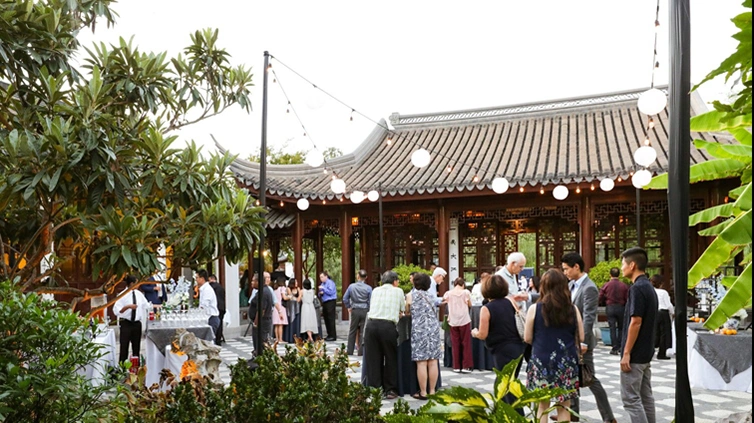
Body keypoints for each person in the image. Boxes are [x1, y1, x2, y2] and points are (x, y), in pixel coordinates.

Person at [561, 252, 616, 423]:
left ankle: (608, 417)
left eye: (566, 269)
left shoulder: (589, 287)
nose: (565, 273)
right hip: (570, 340)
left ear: (576, 267)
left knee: (590, 379)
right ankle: (572, 413)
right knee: (571, 378)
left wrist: (583, 341)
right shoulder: (571, 285)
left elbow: (589, 316)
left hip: (583, 342)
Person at [525, 269, 584, 423]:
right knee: (564, 406)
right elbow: (581, 336)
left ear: (543, 286)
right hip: (566, 362)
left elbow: (527, 337)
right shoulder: (572, 309)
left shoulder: (534, 309)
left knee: (542, 406)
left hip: (541, 361)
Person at [472, 274, 527, 410]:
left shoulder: (487, 308)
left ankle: (517, 415)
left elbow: (483, 334)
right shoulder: (510, 301)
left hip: (502, 349)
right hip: (518, 346)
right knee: (507, 381)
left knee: (506, 384)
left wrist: (474, 332)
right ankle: (501, 412)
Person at [620, 247, 658, 423]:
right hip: (646, 351)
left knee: (631, 399)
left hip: (635, 354)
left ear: (632, 265)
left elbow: (636, 321)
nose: (622, 268)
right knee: (645, 396)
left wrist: (626, 352)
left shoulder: (637, 288)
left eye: (623, 264)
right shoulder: (649, 287)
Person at [363, 271, 405, 399]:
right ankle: (390, 389)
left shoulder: (375, 290)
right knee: (390, 357)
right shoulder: (398, 291)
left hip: (371, 325)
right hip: (387, 326)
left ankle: (375, 388)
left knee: (373, 358)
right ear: (395, 281)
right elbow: (402, 310)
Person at [411, 273, 443, 400]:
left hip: (419, 330)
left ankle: (423, 392)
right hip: (433, 329)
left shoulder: (411, 296)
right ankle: (432, 390)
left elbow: (407, 310)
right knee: (433, 361)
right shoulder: (432, 297)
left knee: (422, 362)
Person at [114, 275, 149, 363]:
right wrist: (127, 307)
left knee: (136, 347)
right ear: (132, 284)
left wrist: (158, 306)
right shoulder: (122, 295)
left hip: (137, 323)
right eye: (137, 283)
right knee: (124, 347)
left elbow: (147, 305)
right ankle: (122, 368)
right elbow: (117, 311)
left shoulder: (139, 294)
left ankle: (136, 367)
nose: (138, 285)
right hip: (126, 323)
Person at [444, 277, 473, 373]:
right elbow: (470, 305)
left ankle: (456, 366)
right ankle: (466, 366)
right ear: (463, 284)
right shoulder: (466, 292)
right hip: (464, 319)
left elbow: (445, 301)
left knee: (455, 343)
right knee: (466, 342)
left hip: (453, 319)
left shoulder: (448, 293)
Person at [600, 267, 629, 355]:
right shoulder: (624, 285)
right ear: (619, 275)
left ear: (610, 275)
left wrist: (600, 303)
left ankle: (614, 347)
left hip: (610, 307)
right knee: (621, 328)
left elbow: (600, 296)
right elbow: (627, 298)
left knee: (612, 327)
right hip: (621, 307)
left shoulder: (606, 285)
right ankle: (620, 346)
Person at [343, 269, 373, 355]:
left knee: (352, 330)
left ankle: (349, 350)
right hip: (365, 310)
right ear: (366, 277)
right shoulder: (368, 288)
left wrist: (349, 306)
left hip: (355, 309)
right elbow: (371, 300)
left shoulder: (351, 286)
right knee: (363, 331)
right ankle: (361, 351)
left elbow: (345, 298)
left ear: (358, 276)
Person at [248, 273, 273, 355]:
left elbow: (261, 310)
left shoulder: (264, 292)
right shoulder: (262, 291)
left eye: (253, 281)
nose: (251, 282)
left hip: (262, 323)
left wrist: (256, 323)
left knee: (260, 344)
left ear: (258, 282)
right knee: (258, 343)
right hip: (262, 322)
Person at [651, 274, 673, 360]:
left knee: (654, 332)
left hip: (654, 312)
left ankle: (651, 350)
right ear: (661, 283)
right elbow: (668, 305)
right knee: (664, 334)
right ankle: (661, 353)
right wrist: (672, 312)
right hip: (663, 313)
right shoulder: (663, 292)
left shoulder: (651, 291)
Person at [196, 269, 221, 338]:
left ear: (202, 278)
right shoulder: (203, 289)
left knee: (209, 342)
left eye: (197, 277)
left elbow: (204, 306)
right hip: (208, 318)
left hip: (211, 318)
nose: (196, 280)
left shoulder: (207, 290)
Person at [318, 272, 338, 341]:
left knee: (331, 318)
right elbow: (319, 294)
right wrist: (320, 293)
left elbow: (331, 292)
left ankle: (333, 335)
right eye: (320, 277)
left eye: (322, 277)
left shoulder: (330, 283)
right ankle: (329, 334)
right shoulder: (322, 284)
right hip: (324, 302)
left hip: (330, 301)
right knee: (326, 318)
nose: (321, 279)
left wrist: (324, 289)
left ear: (326, 276)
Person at [208, 274, 226, 346]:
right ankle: (219, 339)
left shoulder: (210, 287)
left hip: (214, 308)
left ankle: (214, 339)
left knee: (214, 323)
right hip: (221, 307)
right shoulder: (221, 287)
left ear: (211, 279)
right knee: (220, 323)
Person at [283, 278, 302, 343]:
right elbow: (291, 296)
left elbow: (299, 298)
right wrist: (294, 298)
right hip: (290, 308)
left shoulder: (298, 289)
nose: (297, 284)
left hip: (297, 307)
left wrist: (297, 298)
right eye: (295, 282)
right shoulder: (288, 288)